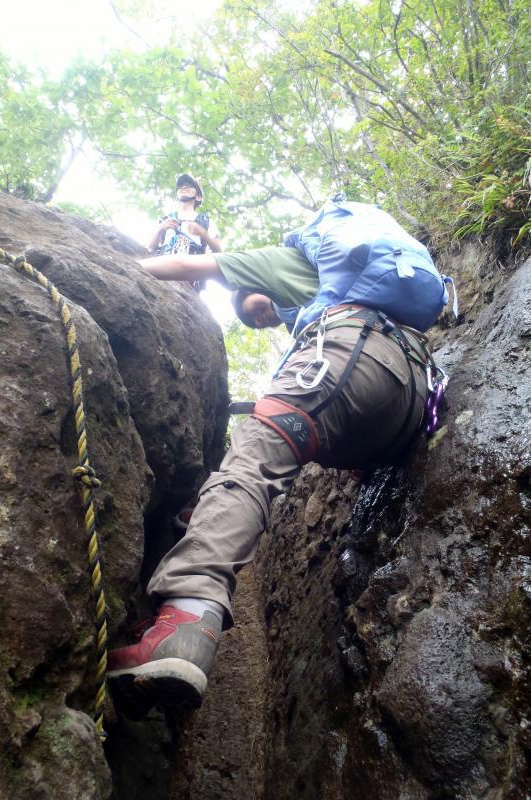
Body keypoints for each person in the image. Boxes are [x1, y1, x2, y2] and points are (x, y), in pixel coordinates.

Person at [107, 236, 433, 715]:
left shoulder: (290, 263)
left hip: (353, 356)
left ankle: (186, 620)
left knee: (251, 464)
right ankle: (200, 517)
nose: (257, 317)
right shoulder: (355, 290)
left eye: (252, 307)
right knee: (287, 444)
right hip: (407, 403)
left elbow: (185, 262)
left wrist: (112, 263)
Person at [147, 173, 222, 258]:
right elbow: (150, 249)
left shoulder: (206, 221)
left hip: (193, 265)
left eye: (189, 185)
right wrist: (160, 228)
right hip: (165, 262)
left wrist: (203, 233)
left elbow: (218, 250)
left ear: (198, 197)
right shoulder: (165, 219)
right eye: (180, 186)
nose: (184, 187)